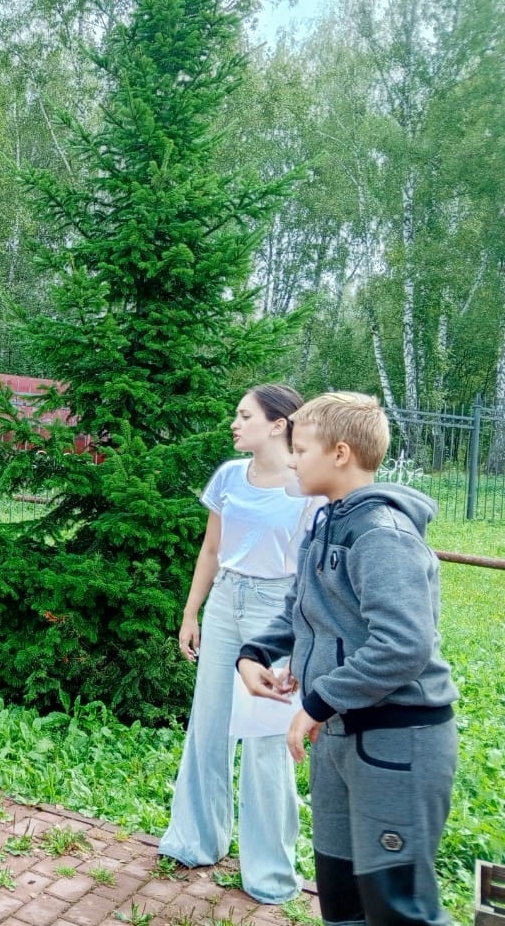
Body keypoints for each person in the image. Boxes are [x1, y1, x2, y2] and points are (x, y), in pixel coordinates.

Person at [238, 392, 459, 926]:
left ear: (340, 453)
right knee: (343, 902)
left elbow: (404, 645)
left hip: (396, 741)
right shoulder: (327, 524)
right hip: (339, 736)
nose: (292, 461)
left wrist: (317, 703)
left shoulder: (382, 534)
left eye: (301, 450)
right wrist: (254, 653)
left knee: (397, 909)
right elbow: (303, 610)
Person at [158, 384, 316, 905]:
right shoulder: (228, 475)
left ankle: (270, 873)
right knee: (209, 724)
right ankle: (195, 840)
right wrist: (191, 612)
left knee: (266, 737)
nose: (235, 423)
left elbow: (311, 571)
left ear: (278, 424)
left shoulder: (306, 486)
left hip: (276, 609)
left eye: (245, 415)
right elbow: (210, 549)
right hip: (226, 599)